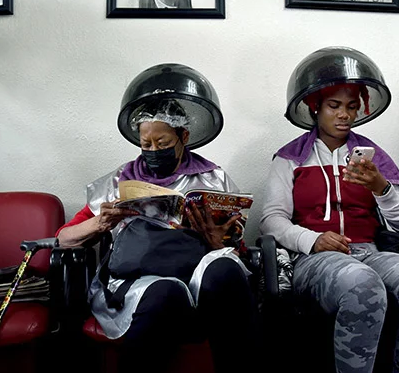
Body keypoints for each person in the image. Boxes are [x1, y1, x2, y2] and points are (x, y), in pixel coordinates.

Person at [57, 64, 258, 373]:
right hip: (141, 280)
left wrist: (221, 244)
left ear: (184, 136)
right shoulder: (119, 181)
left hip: (198, 278)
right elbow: (63, 239)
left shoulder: (214, 179)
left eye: (163, 144)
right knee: (165, 292)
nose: (153, 151)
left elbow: (238, 246)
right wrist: (101, 223)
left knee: (225, 270)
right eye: (145, 144)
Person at [260, 47, 399, 373]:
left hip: (370, 252)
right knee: (361, 283)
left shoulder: (374, 158)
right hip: (314, 260)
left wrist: (380, 187)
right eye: (334, 106)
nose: (344, 115)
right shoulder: (289, 158)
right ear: (315, 107)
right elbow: (271, 221)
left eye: (351, 107)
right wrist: (312, 240)